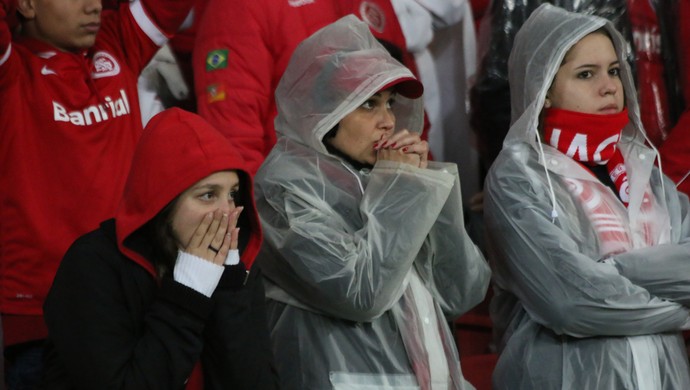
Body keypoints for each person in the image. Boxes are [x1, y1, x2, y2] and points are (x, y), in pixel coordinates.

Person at [253, 15, 491, 389]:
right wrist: (400, 192)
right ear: (325, 114)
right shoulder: (282, 189)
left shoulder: (390, 178)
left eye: (390, 103)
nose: (387, 121)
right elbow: (360, 293)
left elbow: (462, 290)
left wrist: (427, 187)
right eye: (368, 105)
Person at [483, 4, 690, 388]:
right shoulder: (518, 176)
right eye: (585, 74)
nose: (610, 86)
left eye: (614, 70)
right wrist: (682, 311)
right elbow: (572, 303)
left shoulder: (644, 169)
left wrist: (612, 271)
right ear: (542, 89)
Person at [0, 0, 196, 385]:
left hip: (133, 299)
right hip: (41, 318)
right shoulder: (9, 70)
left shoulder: (117, 42)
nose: (93, 5)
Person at [42, 108, 278, 389]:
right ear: (163, 202)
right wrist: (188, 295)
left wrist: (228, 287)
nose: (226, 212)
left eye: (232, 194)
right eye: (207, 195)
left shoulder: (238, 264)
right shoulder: (93, 264)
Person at [192, 0, 422, 174]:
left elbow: (407, 103)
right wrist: (261, 221)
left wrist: (419, 175)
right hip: (294, 207)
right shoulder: (239, 7)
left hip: (375, 192)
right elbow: (235, 137)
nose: (388, 121)